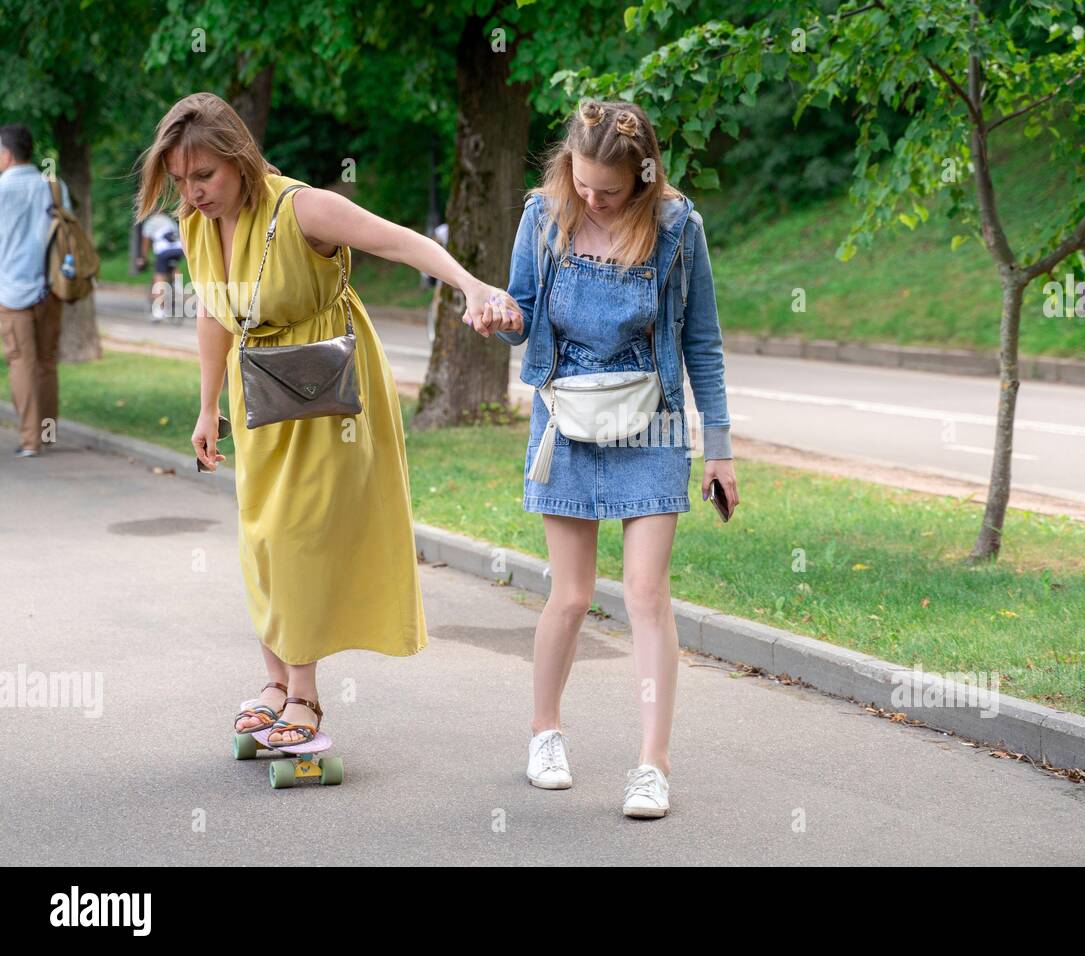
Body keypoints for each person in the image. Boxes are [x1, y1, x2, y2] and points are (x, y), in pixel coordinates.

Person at [134, 92, 522, 746]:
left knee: (296, 536)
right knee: (262, 536)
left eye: (204, 176)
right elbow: (212, 312)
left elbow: (402, 243)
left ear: (239, 159)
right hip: (257, 392)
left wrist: (473, 287)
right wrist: (207, 406)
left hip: (326, 385)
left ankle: (305, 700)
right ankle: (276, 683)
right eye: (179, 180)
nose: (193, 192)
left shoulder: (302, 208)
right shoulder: (198, 225)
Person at [496, 99, 740, 818]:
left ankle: (652, 766)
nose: (593, 199)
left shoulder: (677, 228)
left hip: (653, 424)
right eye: (582, 183)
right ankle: (545, 733)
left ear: (643, 177)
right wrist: (503, 318)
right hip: (565, 420)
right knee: (570, 595)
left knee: (644, 593)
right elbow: (520, 313)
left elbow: (703, 342)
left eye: (609, 190)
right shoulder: (543, 215)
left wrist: (719, 451)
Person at [0, 123, 72, 458]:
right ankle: (48, 434)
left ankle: (30, 441)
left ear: (6, 154)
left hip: (10, 292)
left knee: (21, 362)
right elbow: (68, 239)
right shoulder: (54, 187)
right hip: (51, 289)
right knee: (46, 362)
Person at [136, 210, 185, 322]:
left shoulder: (149, 223)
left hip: (163, 250)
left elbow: (145, 244)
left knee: (159, 277)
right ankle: (178, 284)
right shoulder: (168, 220)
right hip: (178, 248)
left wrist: (143, 258)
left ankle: (158, 310)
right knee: (173, 265)